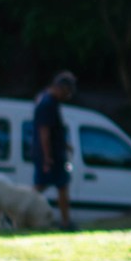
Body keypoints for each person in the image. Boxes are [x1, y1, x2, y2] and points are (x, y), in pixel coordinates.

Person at [32, 71, 77, 230]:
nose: (67, 96)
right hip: (50, 155)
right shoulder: (48, 104)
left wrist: (64, 145)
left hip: (51, 153)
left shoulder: (44, 99)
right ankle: (65, 222)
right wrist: (47, 157)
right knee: (46, 187)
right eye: (67, 91)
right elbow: (44, 132)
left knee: (45, 186)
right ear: (60, 88)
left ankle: (65, 221)